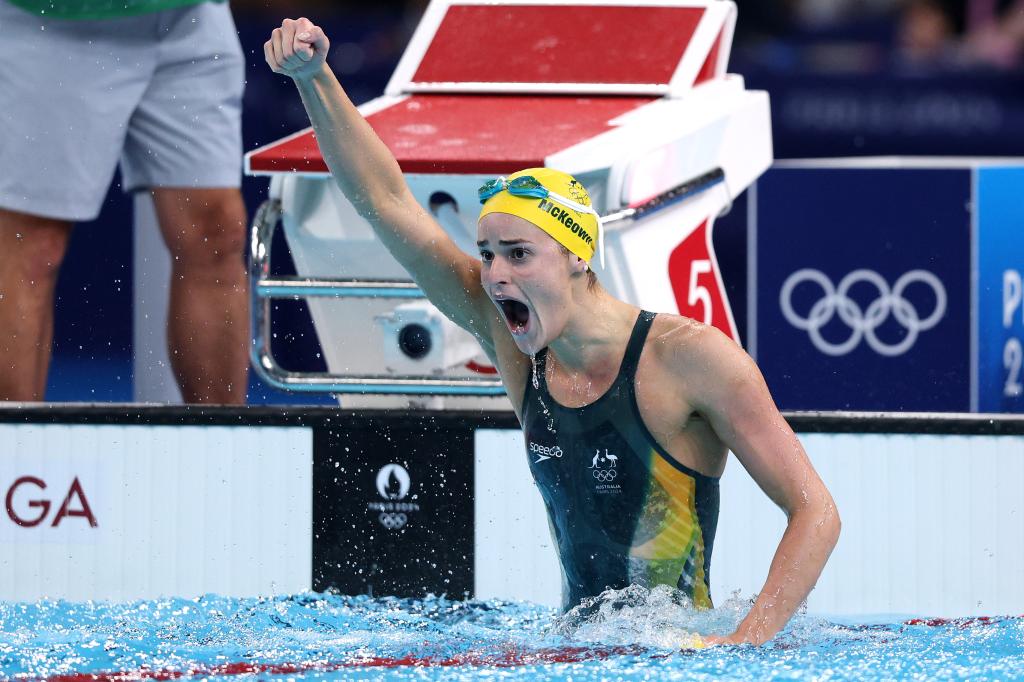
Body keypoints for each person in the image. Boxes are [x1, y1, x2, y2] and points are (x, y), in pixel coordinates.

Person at [264, 17, 841, 646]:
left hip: (678, 651)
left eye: (518, 254)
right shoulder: (522, 353)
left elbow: (816, 512)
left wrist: (743, 647)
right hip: (571, 647)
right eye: (486, 255)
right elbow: (386, 198)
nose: (494, 275)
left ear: (576, 256)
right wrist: (314, 78)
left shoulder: (690, 357)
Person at [0, 0, 249, 403]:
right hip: (50, 21)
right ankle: (13, 457)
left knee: (216, 232)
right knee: (33, 244)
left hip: (192, 17)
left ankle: (223, 451)